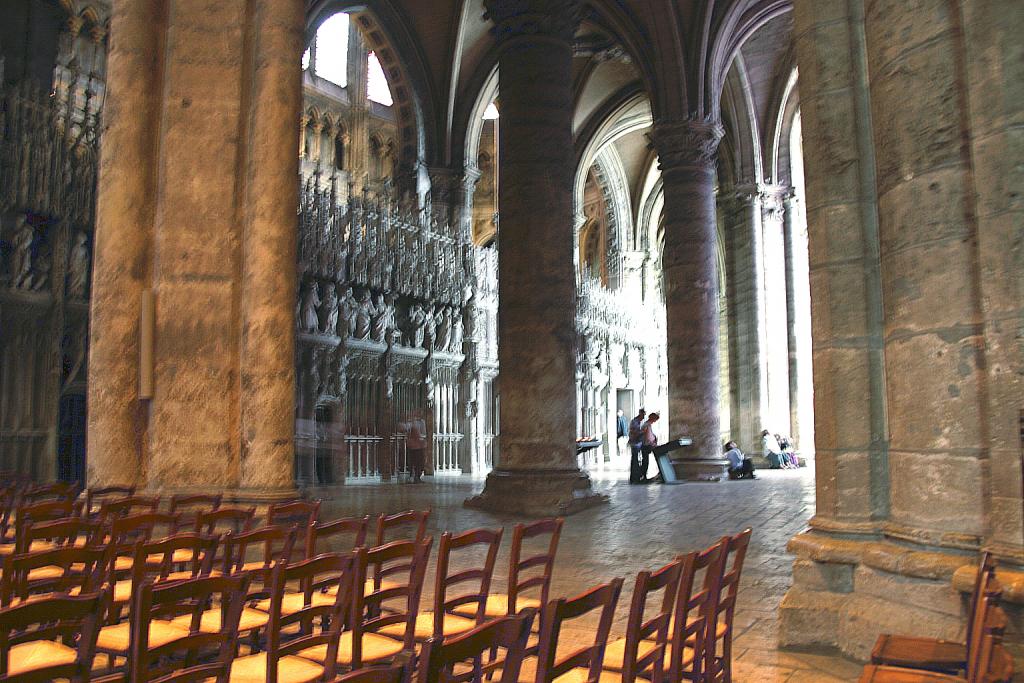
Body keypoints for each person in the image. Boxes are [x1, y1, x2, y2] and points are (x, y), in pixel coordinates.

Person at [401, 411, 428, 483]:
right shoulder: (411, 422)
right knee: (414, 462)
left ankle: (417, 476)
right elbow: (405, 427)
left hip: (420, 445)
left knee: (421, 462)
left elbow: (423, 433)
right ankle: (413, 476)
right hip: (413, 446)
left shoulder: (421, 422)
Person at [639, 412, 660, 484]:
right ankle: (643, 476)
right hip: (646, 445)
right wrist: (652, 442)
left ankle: (643, 475)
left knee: (645, 461)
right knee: (645, 461)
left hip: (647, 444)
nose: (655, 421)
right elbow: (647, 436)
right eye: (655, 420)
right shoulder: (646, 425)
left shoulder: (648, 425)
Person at [628, 408, 646, 484]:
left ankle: (637, 476)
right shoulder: (635, 422)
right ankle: (635, 478)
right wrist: (642, 432)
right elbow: (634, 433)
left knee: (636, 460)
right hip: (635, 443)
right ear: (640, 414)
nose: (644, 417)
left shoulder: (638, 422)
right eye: (643, 415)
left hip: (638, 443)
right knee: (635, 460)